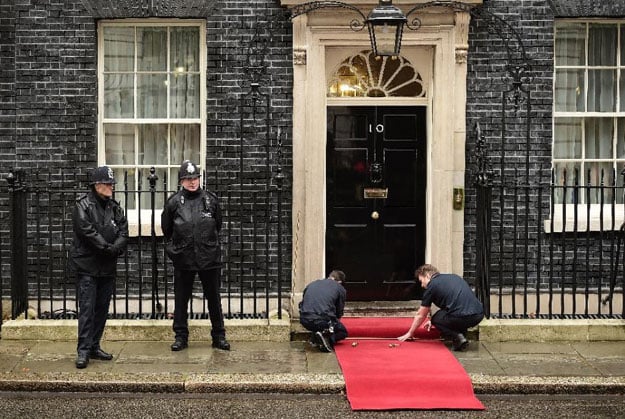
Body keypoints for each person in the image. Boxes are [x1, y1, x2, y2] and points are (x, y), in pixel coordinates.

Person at [161, 160, 230, 351]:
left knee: (214, 299)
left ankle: (219, 336)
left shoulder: (210, 200)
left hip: (209, 258)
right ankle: (181, 337)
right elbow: (167, 229)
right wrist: (175, 251)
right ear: (181, 181)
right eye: (188, 179)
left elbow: (218, 225)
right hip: (184, 258)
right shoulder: (174, 202)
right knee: (181, 300)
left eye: (195, 178)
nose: (192, 182)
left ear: (199, 179)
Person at [70, 165, 128, 369]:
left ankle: (94, 346)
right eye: (107, 183)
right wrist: (108, 248)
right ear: (96, 185)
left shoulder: (114, 207)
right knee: (87, 309)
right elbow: (87, 232)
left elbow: (123, 231)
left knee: (102, 308)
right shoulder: (83, 206)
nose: (111, 187)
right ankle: (83, 351)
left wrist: (115, 249)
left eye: (112, 183)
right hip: (88, 265)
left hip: (107, 266)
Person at [398, 264, 484, 351]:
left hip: (462, 316)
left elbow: (421, 314)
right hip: (478, 315)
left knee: (437, 319)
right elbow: (454, 303)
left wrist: (410, 333)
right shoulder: (453, 277)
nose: (422, 285)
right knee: (450, 314)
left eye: (421, 281)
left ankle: (458, 337)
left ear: (427, 275)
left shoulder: (431, 286)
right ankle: (462, 336)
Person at [299, 270, 348, 352]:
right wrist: (335, 322)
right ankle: (327, 338)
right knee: (343, 332)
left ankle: (316, 336)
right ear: (339, 282)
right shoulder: (340, 288)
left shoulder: (312, 284)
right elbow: (339, 311)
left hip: (304, 319)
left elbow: (302, 303)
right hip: (323, 320)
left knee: (318, 321)